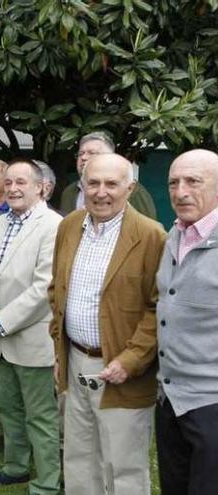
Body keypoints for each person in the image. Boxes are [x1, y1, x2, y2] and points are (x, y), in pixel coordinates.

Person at [49, 153, 165, 494]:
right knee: (79, 459)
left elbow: (158, 308)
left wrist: (129, 360)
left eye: (112, 184)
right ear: (81, 186)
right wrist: (59, 349)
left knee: (123, 466)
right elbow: (56, 288)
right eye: (93, 183)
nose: (101, 192)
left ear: (129, 188)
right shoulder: (69, 226)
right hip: (75, 363)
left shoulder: (151, 235)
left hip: (123, 372)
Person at [0, 160, 62, 491]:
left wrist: (3, 322)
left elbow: (45, 286)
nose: (13, 188)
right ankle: (15, 467)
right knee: (9, 410)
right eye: (8, 182)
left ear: (41, 187)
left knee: (40, 416)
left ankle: (48, 482)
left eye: (21, 182)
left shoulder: (53, 225)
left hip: (30, 336)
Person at [155, 149, 218, 494]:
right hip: (169, 400)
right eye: (174, 183)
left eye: (193, 181)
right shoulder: (175, 234)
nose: (180, 192)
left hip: (211, 404)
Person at [59, 132, 157, 219]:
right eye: (81, 153)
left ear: (109, 157)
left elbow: (148, 234)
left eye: (91, 153)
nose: (83, 157)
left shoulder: (132, 191)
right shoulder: (69, 192)